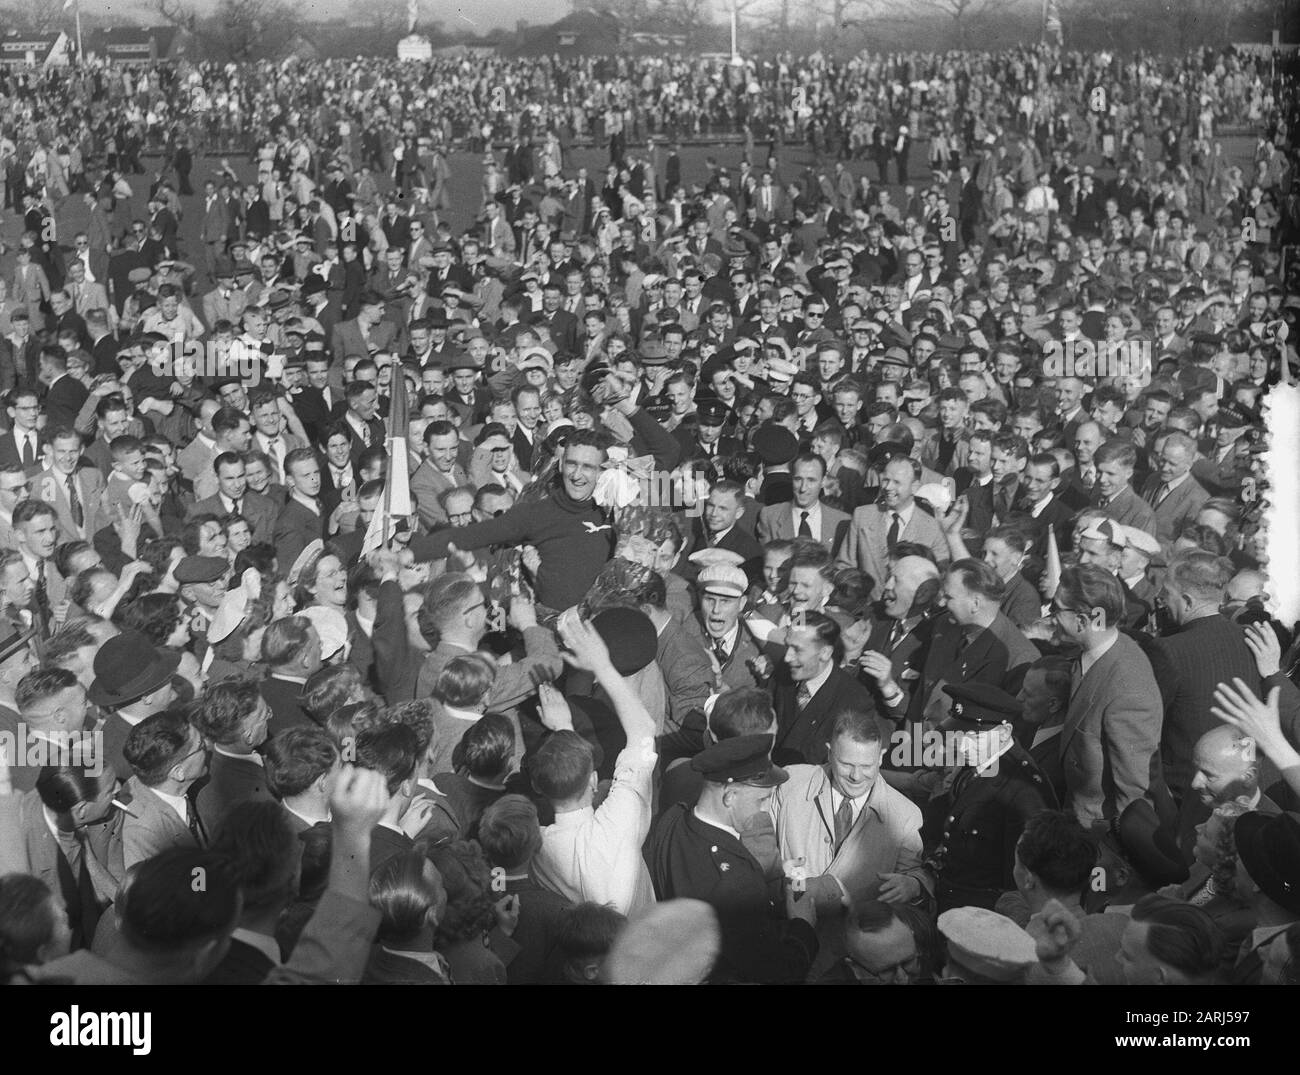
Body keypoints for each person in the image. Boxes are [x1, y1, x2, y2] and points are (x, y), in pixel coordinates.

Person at [767, 709, 929, 979]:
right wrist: (799, 888)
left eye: (867, 766)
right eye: (846, 764)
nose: (856, 776)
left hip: (853, 965)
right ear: (829, 752)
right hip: (788, 944)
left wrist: (912, 884)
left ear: (881, 757)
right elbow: (766, 856)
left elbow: (915, 879)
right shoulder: (790, 785)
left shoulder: (904, 816)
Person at [645, 733, 818, 983]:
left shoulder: (672, 818)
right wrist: (803, 926)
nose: (764, 809)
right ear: (730, 797)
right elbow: (778, 973)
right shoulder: (738, 883)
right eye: (761, 799)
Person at [530, 610, 657, 917]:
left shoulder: (537, 848)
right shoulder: (619, 820)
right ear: (592, 780)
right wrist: (601, 664)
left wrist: (563, 730)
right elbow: (642, 732)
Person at [922, 681, 1056, 912]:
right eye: (959, 734)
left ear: (1004, 733)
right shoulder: (980, 760)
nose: (963, 746)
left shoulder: (1023, 791)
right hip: (951, 899)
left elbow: (1021, 883)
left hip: (984, 913)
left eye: (974, 736)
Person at [1051, 565, 1162, 829]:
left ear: (1081, 620)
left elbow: (1135, 796)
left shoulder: (1128, 688)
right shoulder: (1090, 655)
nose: (1050, 615)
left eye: (1056, 608)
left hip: (1097, 837)